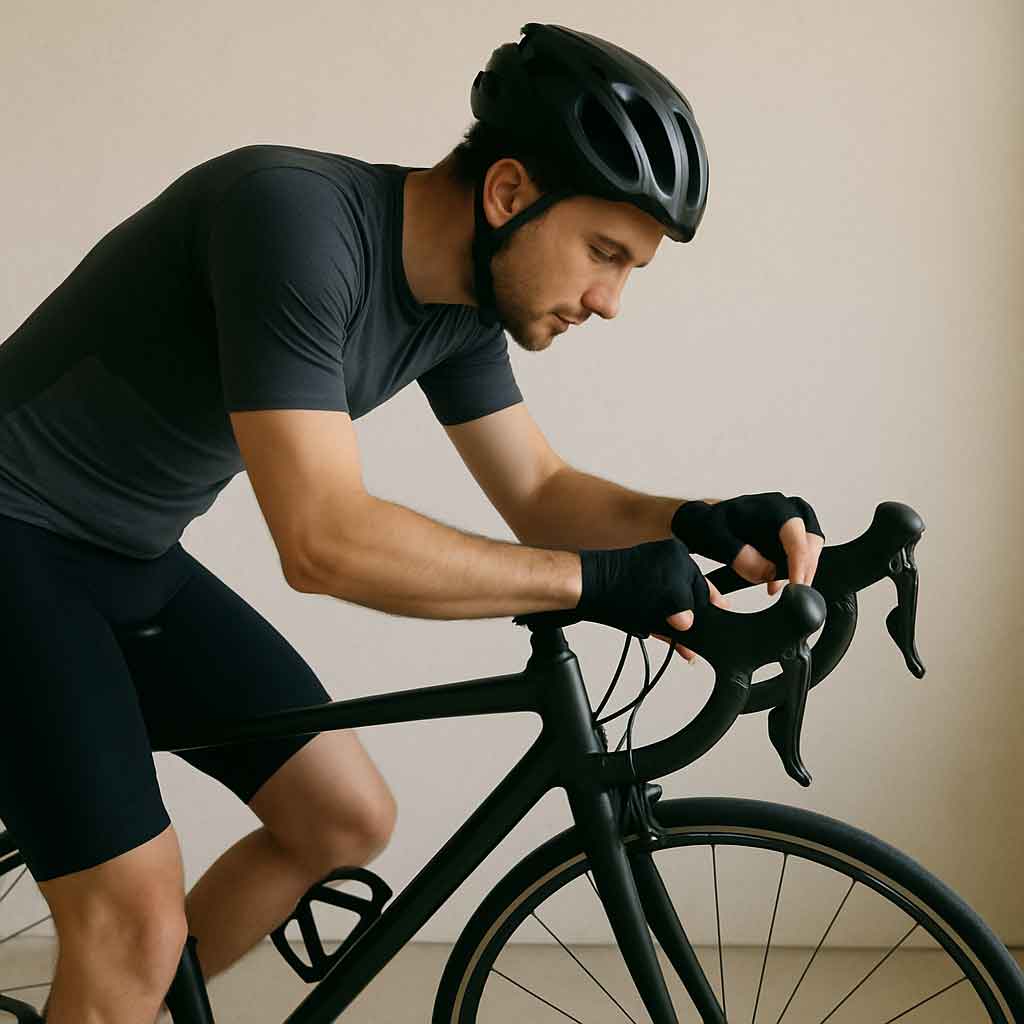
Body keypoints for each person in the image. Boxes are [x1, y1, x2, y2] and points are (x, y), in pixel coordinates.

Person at [0, 22, 823, 1024]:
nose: (608, 301)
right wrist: (596, 581)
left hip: (126, 553)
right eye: (604, 253)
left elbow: (539, 491)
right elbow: (323, 540)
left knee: (340, 816)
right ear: (509, 193)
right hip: (12, 540)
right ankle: (119, 986)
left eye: (631, 270)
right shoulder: (294, 221)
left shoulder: (466, 304)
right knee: (127, 927)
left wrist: (695, 517)